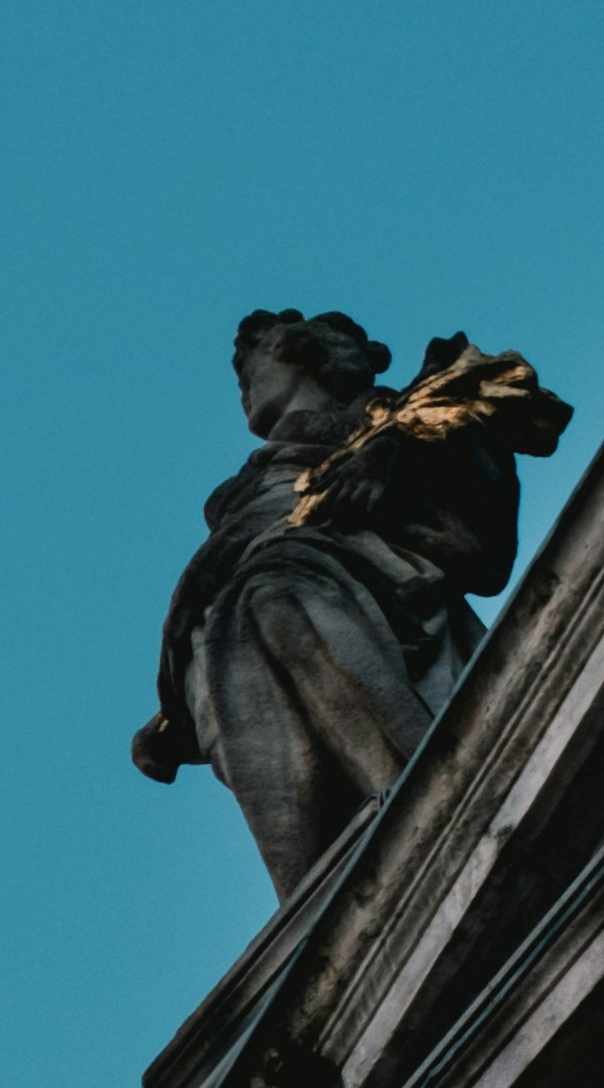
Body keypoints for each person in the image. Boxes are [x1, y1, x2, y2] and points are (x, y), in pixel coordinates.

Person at [133, 310, 569, 900]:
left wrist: (390, 454)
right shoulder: (250, 486)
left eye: (251, 367)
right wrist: (173, 702)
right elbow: (222, 570)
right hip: (248, 623)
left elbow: (480, 525)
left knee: (272, 595)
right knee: (231, 643)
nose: (245, 386)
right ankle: (316, 902)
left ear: (304, 356)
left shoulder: (398, 415)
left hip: (363, 587)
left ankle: (427, 800)